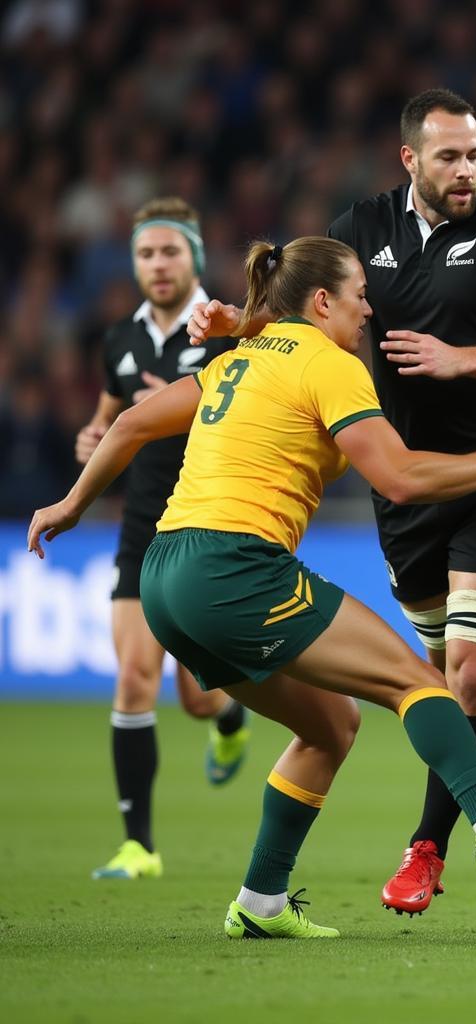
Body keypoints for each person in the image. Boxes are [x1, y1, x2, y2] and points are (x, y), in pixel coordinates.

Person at [29, 236, 476, 940]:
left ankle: (260, 901)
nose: (368, 309)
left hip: (165, 575)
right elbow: (402, 479)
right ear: (323, 301)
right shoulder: (332, 365)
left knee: (330, 726)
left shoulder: (239, 359)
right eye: (359, 295)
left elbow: (134, 422)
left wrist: (71, 506)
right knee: (419, 684)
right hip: (236, 566)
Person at [187, 88, 476, 915]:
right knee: (451, 661)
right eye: (449, 156)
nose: (467, 171)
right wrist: (240, 326)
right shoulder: (358, 228)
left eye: (475, 154)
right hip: (403, 484)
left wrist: (464, 360)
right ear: (410, 159)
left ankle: (430, 848)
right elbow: (300, 312)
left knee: (467, 675)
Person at [79, 197, 252, 882]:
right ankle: (139, 847)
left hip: (204, 524)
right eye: (146, 254)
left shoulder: (226, 330)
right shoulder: (120, 340)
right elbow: (106, 419)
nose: (157, 265)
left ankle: (230, 716)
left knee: (197, 695)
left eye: (170, 252)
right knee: (132, 678)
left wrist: (179, 405)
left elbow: (251, 414)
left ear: (195, 258)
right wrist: (94, 436)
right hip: (139, 528)